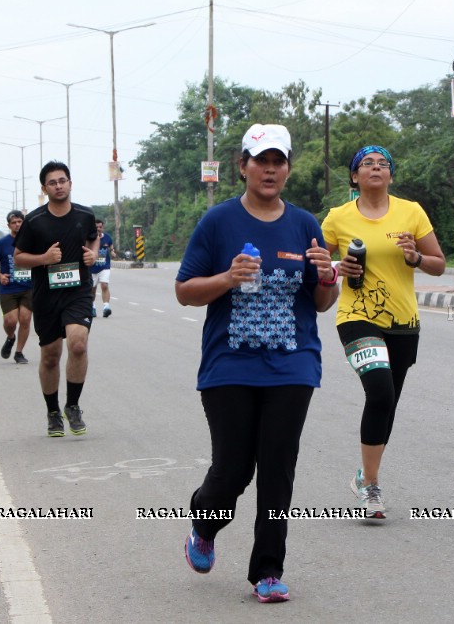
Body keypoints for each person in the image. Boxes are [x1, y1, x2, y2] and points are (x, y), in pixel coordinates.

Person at [175, 124, 338, 603]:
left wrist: (327, 275)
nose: (270, 169)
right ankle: (204, 522)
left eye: (278, 161)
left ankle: (268, 570)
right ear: (242, 166)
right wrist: (226, 277)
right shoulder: (218, 223)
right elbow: (185, 291)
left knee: (277, 469)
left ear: (287, 168)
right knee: (232, 471)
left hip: (293, 365)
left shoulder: (306, 224)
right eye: (260, 160)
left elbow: (322, 301)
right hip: (229, 366)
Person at [321, 145, 446, 519]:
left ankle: (365, 476)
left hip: (403, 323)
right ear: (354, 176)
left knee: (387, 401)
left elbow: (438, 264)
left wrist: (416, 258)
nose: (375, 168)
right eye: (367, 164)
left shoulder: (411, 212)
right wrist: (337, 267)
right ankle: (372, 490)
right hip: (356, 317)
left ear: (390, 175)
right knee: (379, 390)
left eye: (383, 164)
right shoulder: (337, 218)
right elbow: (317, 267)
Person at [13, 161, 97, 438]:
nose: (59, 186)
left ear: (70, 183)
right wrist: (43, 259)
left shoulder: (84, 215)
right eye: (53, 182)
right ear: (44, 188)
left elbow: (94, 239)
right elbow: (19, 258)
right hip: (46, 296)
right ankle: (52, 411)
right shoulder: (35, 221)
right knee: (50, 356)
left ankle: (72, 405)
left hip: (79, 292)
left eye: (63, 181)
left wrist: (93, 255)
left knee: (78, 345)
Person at [0, 210, 32, 364]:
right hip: (9, 288)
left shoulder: (32, 241)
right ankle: (10, 337)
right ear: (9, 225)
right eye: (13, 222)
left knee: (25, 319)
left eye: (20, 222)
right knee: (10, 321)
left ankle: (19, 353)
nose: (17, 225)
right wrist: (0, 276)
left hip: (28, 287)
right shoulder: (2, 243)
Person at [90, 219, 116, 318]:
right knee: (92, 289)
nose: (98, 229)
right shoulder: (90, 238)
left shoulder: (108, 238)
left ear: (103, 227)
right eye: (96, 227)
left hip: (104, 266)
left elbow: (111, 247)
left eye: (100, 227)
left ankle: (106, 307)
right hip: (92, 268)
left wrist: (113, 252)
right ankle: (92, 307)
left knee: (104, 285)